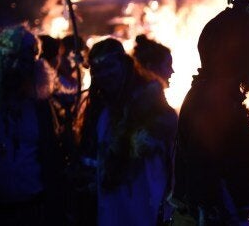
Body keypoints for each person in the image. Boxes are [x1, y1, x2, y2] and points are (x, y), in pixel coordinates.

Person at [171, 0, 249, 225]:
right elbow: (208, 179)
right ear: (239, 53)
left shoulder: (222, 97)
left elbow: (231, 160)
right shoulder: (212, 103)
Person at [0, 24, 65, 225]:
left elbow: (51, 155)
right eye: (11, 59)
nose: (17, 68)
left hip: (34, 205)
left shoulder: (40, 105)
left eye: (26, 61)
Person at [76, 38, 177, 226]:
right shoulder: (99, 112)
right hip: (112, 211)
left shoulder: (153, 107)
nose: (105, 74)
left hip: (148, 209)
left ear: (123, 65)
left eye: (110, 66)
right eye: (99, 70)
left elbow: (173, 161)